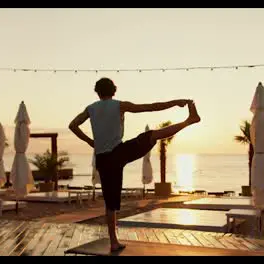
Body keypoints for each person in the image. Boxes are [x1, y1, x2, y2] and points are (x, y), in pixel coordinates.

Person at [69, 77, 200, 252]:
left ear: (97, 92)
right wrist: (176, 102)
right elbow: (149, 107)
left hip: (102, 158)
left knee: (110, 203)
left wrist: (90, 142)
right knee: (152, 135)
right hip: (119, 153)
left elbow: (73, 125)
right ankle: (189, 121)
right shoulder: (119, 105)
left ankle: (114, 241)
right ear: (113, 91)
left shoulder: (90, 109)